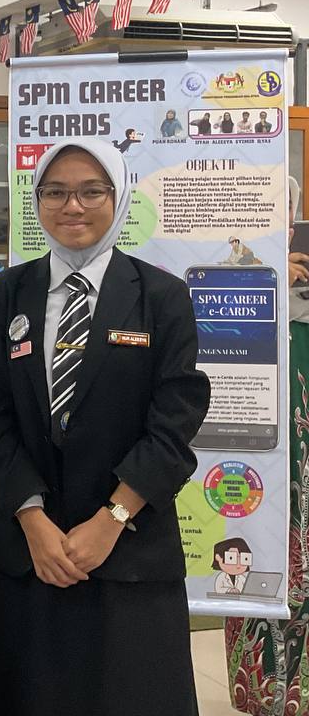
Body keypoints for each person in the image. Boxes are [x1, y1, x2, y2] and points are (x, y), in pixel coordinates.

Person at [0, 138, 209, 716]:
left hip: (129, 555)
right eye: (54, 192)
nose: (71, 206)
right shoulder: (5, 294)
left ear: (118, 197)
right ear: (36, 201)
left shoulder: (162, 296)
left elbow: (174, 426)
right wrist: (33, 520)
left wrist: (111, 520)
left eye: (90, 191)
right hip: (31, 554)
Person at [225, 177, 309, 715]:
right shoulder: (223, 279)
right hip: (250, 462)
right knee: (247, 555)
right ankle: (262, 692)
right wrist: (265, 282)